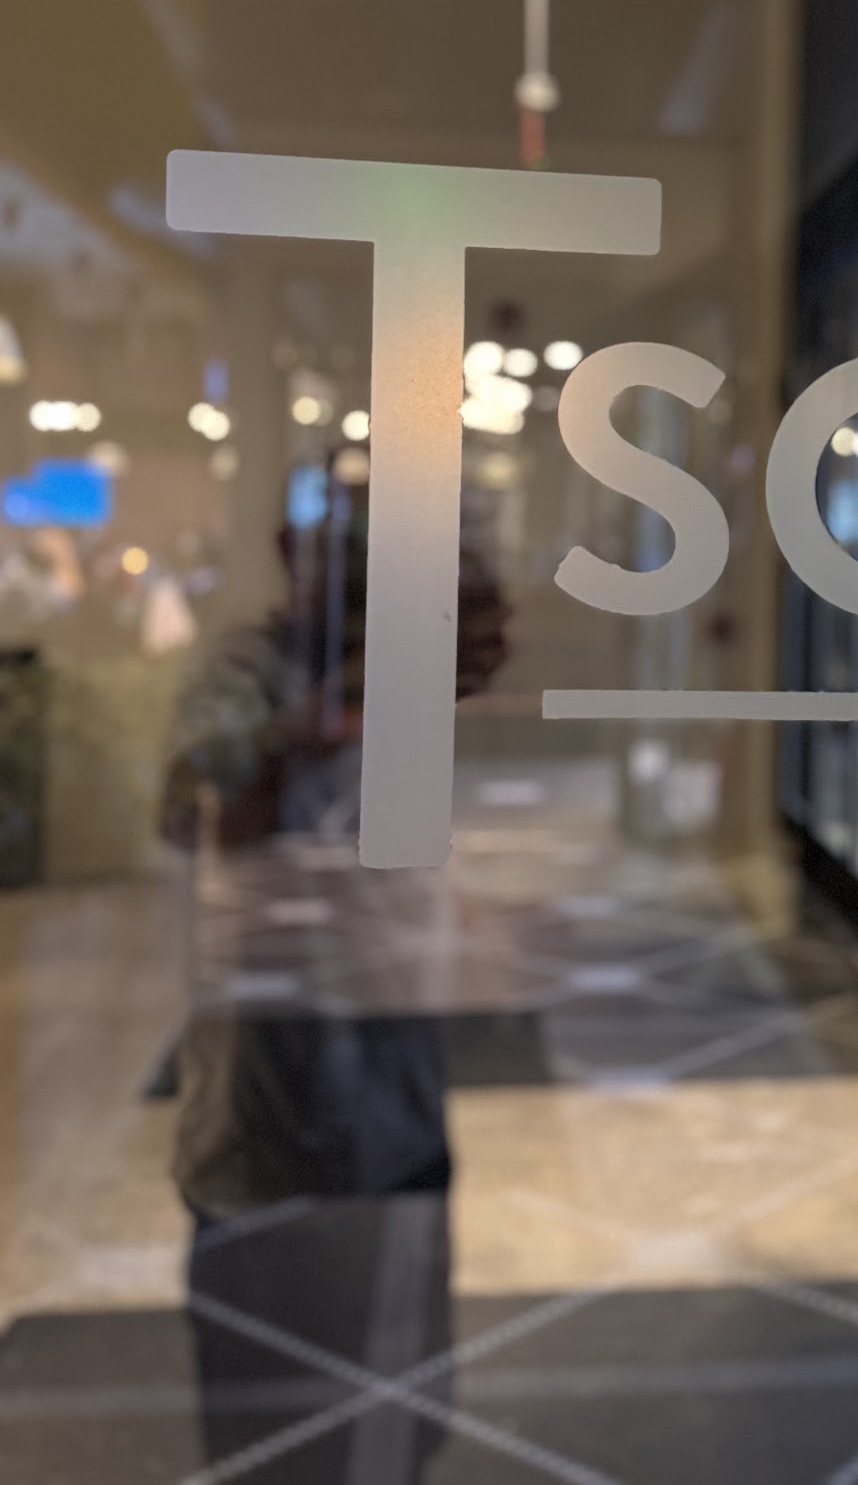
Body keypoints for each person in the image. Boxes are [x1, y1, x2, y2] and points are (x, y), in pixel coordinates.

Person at [160, 461, 509, 1479]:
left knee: (395, 1396)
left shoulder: (394, 665)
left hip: (387, 1070)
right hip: (273, 1079)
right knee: (275, 1409)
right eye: (347, 551)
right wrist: (328, 711)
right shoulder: (252, 668)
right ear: (292, 554)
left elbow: (484, 647)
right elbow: (192, 807)